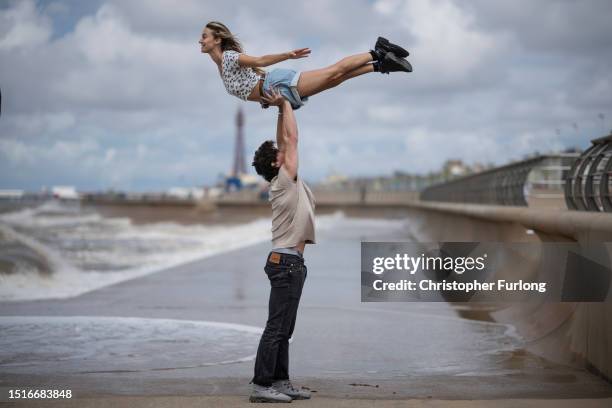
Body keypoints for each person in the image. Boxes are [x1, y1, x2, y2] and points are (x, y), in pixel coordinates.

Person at [249, 89, 315, 403]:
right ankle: (262, 385)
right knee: (276, 328)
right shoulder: (286, 179)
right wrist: (287, 101)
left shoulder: (282, 180)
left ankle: (281, 380)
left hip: (291, 264)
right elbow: (293, 139)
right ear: (277, 163)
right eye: (280, 152)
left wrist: (279, 110)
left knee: (284, 330)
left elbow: (285, 140)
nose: (284, 150)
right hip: (286, 264)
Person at [200, 21, 412, 110]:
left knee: (334, 72)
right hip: (274, 93)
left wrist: (287, 55)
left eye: (204, 37)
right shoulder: (222, 66)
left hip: (275, 84)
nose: (201, 41)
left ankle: (377, 51)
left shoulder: (229, 57)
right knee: (336, 79)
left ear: (217, 40)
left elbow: (259, 61)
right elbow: (249, 87)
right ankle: (380, 65)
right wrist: (266, 102)